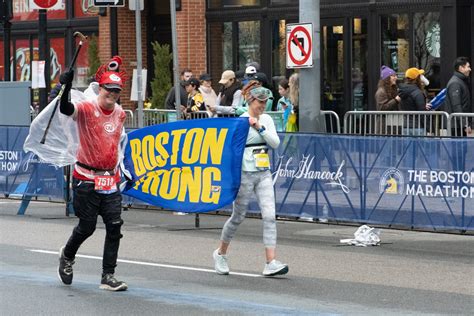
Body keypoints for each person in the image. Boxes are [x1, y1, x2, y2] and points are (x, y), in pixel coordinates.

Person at [57, 64, 128, 291]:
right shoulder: (86, 108)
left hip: (109, 179)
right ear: (100, 89)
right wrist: (66, 85)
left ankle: (108, 276)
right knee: (87, 227)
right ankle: (67, 255)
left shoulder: (121, 114)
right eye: (108, 89)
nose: (112, 94)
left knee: (115, 226)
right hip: (86, 178)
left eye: (116, 90)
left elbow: (117, 144)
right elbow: (66, 109)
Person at [213, 85, 289, 277]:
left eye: (265, 102)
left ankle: (270, 261)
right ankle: (221, 253)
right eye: (260, 102)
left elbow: (275, 142)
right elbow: (229, 148)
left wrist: (259, 127)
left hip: (263, 172)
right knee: (238, 216)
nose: (263, 105)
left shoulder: (267, 119)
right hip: (244, 173)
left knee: (270, 216)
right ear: (251, 101)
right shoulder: (239, 121)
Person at [443, 57, 472, 171]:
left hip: (458, 125)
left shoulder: (460, 81)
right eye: (468, 66)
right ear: (461, 68)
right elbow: (457, 106)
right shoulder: (455, 83)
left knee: (461, 153)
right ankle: (458, 179)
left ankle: (459, 177)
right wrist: (465, 124)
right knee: (458, 153)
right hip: (457, 126)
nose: (470, 69)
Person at [398, 67, 429, 136]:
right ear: (417, 78)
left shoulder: (402, 91)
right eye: (420, 76)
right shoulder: (417, 92)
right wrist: (428, 128)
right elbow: (422, 113)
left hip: (406, 126)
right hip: (417, 127)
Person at [375, 66, 401, 135]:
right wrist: (396, 100)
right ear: (387, 78)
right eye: (393, 76)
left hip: (392, 125)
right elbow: (382, 108)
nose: (396, 78)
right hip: (384, 128)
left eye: (396, 76)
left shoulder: (393, 90)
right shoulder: (381, 91)